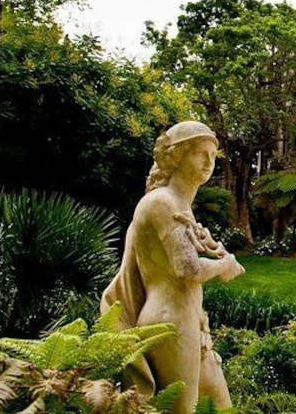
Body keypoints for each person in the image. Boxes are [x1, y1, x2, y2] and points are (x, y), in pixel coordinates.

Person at [100, 121, 246, 414]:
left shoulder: (180, 205)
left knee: (221, 405)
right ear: (177, 156)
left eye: (212, 155)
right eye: (199, 153)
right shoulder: (163, 202)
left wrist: (213, 251)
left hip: (191, 320)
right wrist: (225, 266)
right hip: (171, 321)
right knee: (181, 409)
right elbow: (187, 270)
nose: (208, 162)